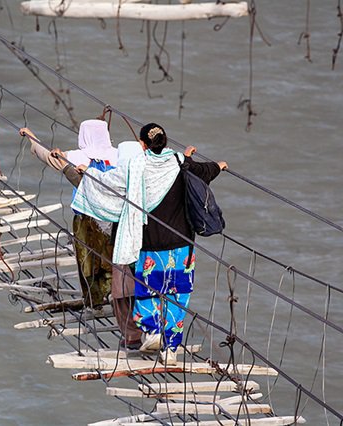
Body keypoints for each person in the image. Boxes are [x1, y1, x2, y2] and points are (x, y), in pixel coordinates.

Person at [72, 123, 227, 364]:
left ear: (142, 145)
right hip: (182, 243)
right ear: (165, 142)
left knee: (148, 291)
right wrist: (218, 166)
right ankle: (171, 349)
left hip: (150, 243)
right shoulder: (179, 162)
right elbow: (204, 171)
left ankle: (153, 331)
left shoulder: (136, 166)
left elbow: (108, 184)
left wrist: (88, 174)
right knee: (177, 295)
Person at [51, 141, 146, 350]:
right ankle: (153, 332)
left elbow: (84, 182)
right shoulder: (149, 178)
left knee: (116, 287)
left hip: (119, 242)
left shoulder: (110, 178)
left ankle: (130, 334)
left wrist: (34, 141)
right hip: (148, 244)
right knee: (144, 290)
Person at [20, 120, 117, 310]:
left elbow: (48, 157)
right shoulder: (119, 155)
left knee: (87, 260)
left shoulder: (75, 156)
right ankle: (114, 294)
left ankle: (94, 301)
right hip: (112, 216)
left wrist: (32, 139)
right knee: (111, 257)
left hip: (85, 217)